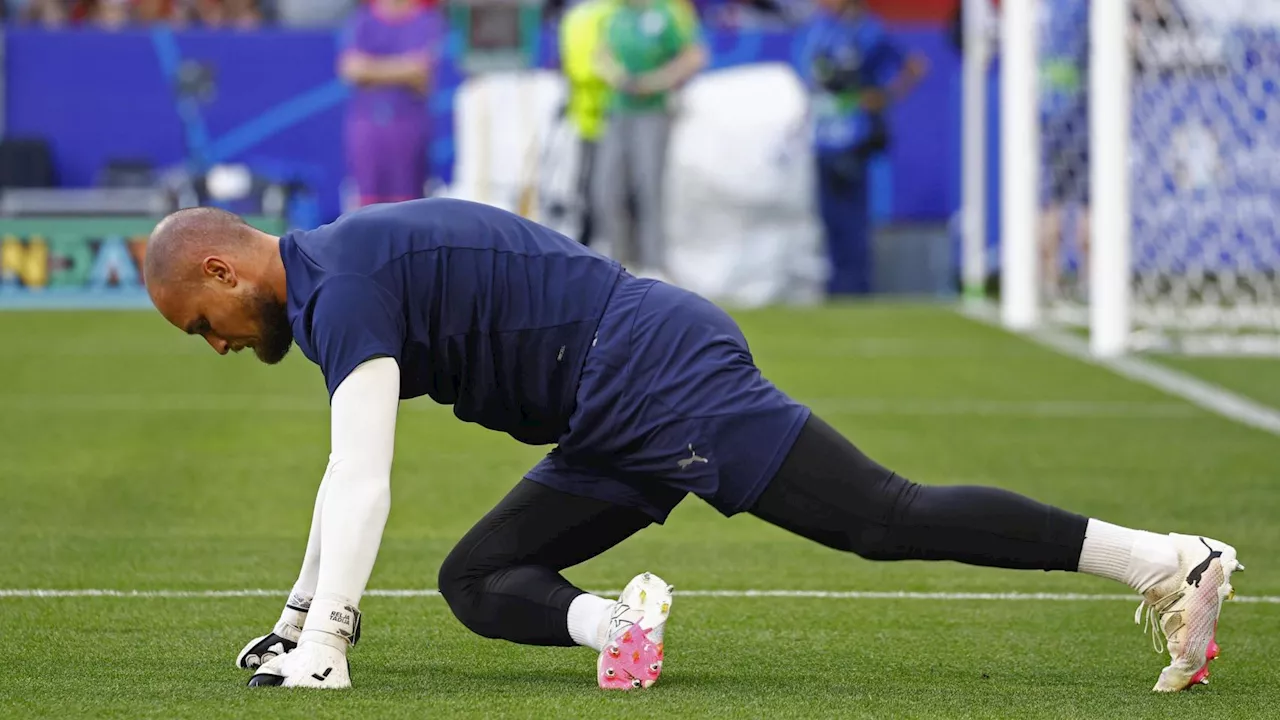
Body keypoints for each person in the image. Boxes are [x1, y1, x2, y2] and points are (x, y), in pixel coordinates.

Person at [142, 198, 1242, 693]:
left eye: (204, 326)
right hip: (602, 402)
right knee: (477, 579)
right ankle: (620, 627)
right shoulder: (335, 275)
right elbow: (346, 478)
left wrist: (327, 637)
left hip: (642, 366)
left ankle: (1165, 559)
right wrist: (296, 624)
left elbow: (362, 473)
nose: (220, 348)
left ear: (226, 275)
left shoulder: (342, 290)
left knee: (881, 518)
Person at [801, 0, 926, 297]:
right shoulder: (818, 28)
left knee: (852, 220)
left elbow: (914, 65)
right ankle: (835, 287)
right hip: (822, 137)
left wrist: (885, 95)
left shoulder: (868, 30)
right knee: (829, 218)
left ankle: (855, 288)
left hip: (853, 137)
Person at [592, 0, 706, 279]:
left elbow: (693, 56)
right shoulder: (615, 15)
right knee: (606, 188)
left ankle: (654, 264)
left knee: (649, 188)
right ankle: (616, 262)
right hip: (617, 110)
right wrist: (616, 76)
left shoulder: (665, 13)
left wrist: (656, 81)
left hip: (652, 112)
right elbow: (600, 55)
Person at [337, 0, 442, 208]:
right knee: (367, 203)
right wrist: (404, 68)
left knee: (409, 205)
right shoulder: (362, 20)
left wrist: (371, 69)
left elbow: (422, 74)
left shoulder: (428, 21)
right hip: (367, 127)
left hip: (409, 125)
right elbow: (351, 70)